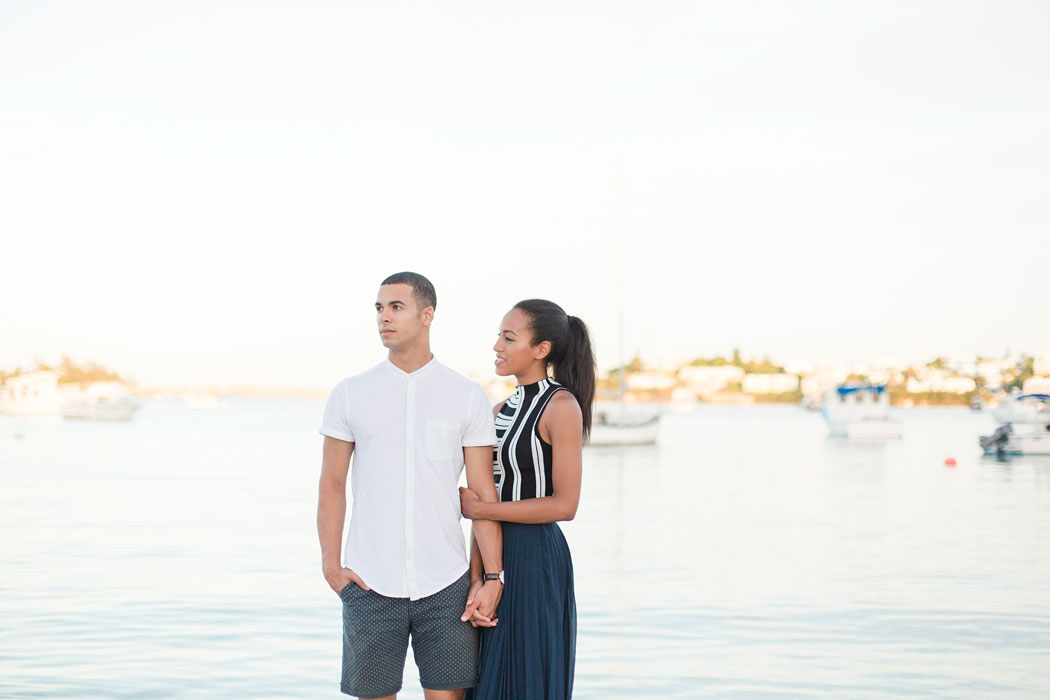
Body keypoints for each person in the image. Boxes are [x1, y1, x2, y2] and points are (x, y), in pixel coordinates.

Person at [317, 271, 505, 700]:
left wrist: (492, 577)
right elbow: (331, 484)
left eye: (396, 307)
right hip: (368, 581)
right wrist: (332, 565)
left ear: (427, 314)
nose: (384, 317)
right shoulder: (350, 394)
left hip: (447, 583)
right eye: (379, 308)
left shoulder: (466, 395)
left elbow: (482, 496)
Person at [460, 299, 594, 700]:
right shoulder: (498, 410)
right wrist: (476, 579)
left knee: (527, 677)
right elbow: (482, 494)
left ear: (542, 349)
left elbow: (564, 505)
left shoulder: (561, 406)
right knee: (486, 679)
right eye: (498, 336)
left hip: (536, 557)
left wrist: (484, 510)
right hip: (493, 553)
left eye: (509, 337)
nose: (497, 346)